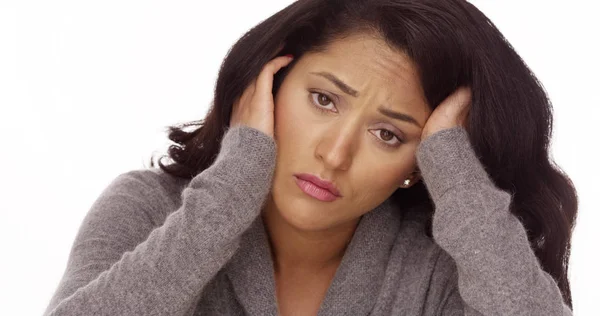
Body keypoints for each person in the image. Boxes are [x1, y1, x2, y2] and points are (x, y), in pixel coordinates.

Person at [43, 0, 578, 315]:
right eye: (324, 100)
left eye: (389, 134)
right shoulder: (147, 210)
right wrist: (229, 190)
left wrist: (459, 177)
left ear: (422, 164)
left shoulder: (436, 275)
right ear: (266, 87)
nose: (335, 153)